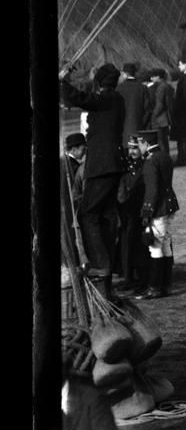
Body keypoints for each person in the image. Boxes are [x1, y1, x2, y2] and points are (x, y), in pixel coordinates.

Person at [59, 64, 127, 279]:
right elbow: (83, 98)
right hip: (110, 165)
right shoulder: (114, 100)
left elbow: (80, 98)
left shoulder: (107, 99)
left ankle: (101, 264)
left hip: (102, 166)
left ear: (99, 82)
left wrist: (62, 82)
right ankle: (107, 265)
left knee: (87, 214)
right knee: (105, 215)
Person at [130, 129, 178, 298]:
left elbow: (152, 190)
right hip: (169, 205)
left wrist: (146, 212)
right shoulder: (164, 156)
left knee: (155, 247)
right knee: (165, 244)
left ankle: (155, 287)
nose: (139, 148)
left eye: (140, 144)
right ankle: (166, 285)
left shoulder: (150, 161)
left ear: (145, 143)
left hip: (158, 208)